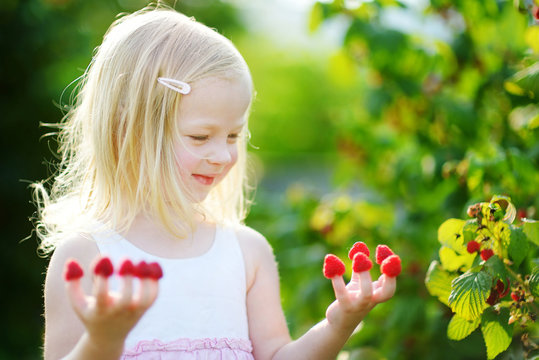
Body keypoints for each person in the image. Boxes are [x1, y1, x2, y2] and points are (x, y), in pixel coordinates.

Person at [35, 5, 397, 360]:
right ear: (129, 131)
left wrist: (338, 324)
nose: (223, 156)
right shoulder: (86, 258)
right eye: (199, 137)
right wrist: (102, 341)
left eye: (233, 135)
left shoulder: (247, 253)